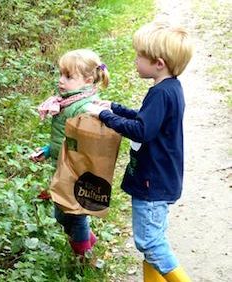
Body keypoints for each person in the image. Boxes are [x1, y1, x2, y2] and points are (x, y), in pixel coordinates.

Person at [86, 20, 193, 281]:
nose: (135, 60)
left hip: (152, 182)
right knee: (152, 243)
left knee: (150, 243)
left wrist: (104, 115)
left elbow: (141, 130)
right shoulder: (170, 89)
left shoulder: (161, 94)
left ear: (158, 63)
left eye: (139, 56)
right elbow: (146, 120)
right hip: (159, 178)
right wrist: (114, 107)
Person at [30, 49, 110, 257]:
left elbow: (89, 144)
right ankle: (86, 240)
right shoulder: (66, 103)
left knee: (75, 213)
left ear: (88, 79)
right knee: (61, 212)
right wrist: (48, 151)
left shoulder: (85, 108)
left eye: (68, 76)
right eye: (60, 75)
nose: (61, 81)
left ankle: (82, 255)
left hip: (77, 171)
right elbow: (62, 138)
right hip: (64, 167)